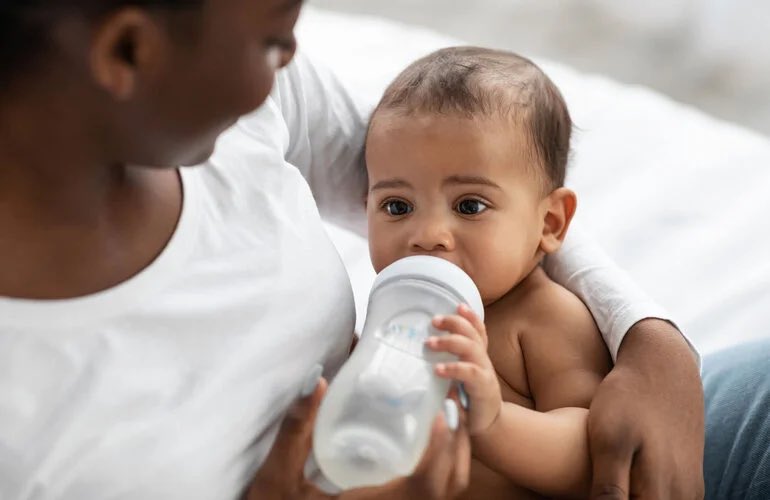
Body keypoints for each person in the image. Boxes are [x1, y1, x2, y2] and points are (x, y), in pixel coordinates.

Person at [0, 0, 719, 498]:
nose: (291, 60)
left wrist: (650, 339)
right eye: (271, 40)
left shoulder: (247, 107)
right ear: (129, 50)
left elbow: (487, 176)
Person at [363, 46, 611, 498]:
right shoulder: (396, 313)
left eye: (469, 206)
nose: (429, 235)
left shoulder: (547, 317)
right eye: (397, 206)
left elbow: (588, 455)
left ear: (550, 222)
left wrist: (494, 421)